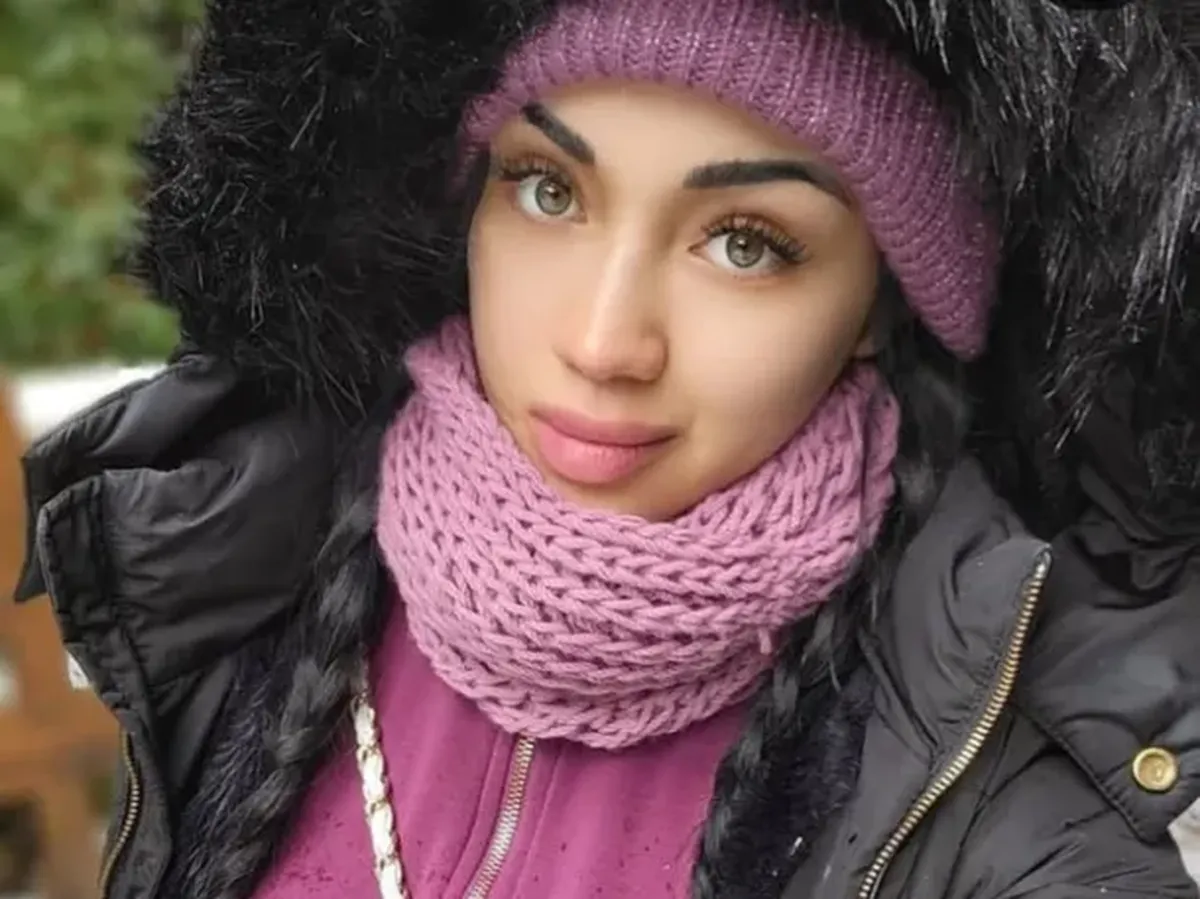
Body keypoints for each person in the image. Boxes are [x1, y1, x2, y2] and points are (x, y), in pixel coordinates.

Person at [12, 0, 1200, 897]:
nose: (601, 340)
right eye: (546, 189)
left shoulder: (1009, 780)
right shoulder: (226, 562)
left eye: (746, 243)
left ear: (878, 312)